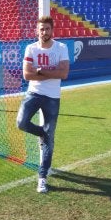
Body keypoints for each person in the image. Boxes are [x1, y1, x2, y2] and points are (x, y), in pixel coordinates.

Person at [16, 16, 69, 193]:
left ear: (52, 30)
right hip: (34, 93)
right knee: (21, 123)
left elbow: (64, 74)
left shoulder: (61, 48)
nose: (44, 32)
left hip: (52, 97)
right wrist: (50, 72)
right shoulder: (31, 48)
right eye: (41, 29)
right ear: (36, 31)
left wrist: (39, 70)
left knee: (49, 139)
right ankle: (42, 133)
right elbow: (26, 75)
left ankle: (42, 177)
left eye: (47, 29)